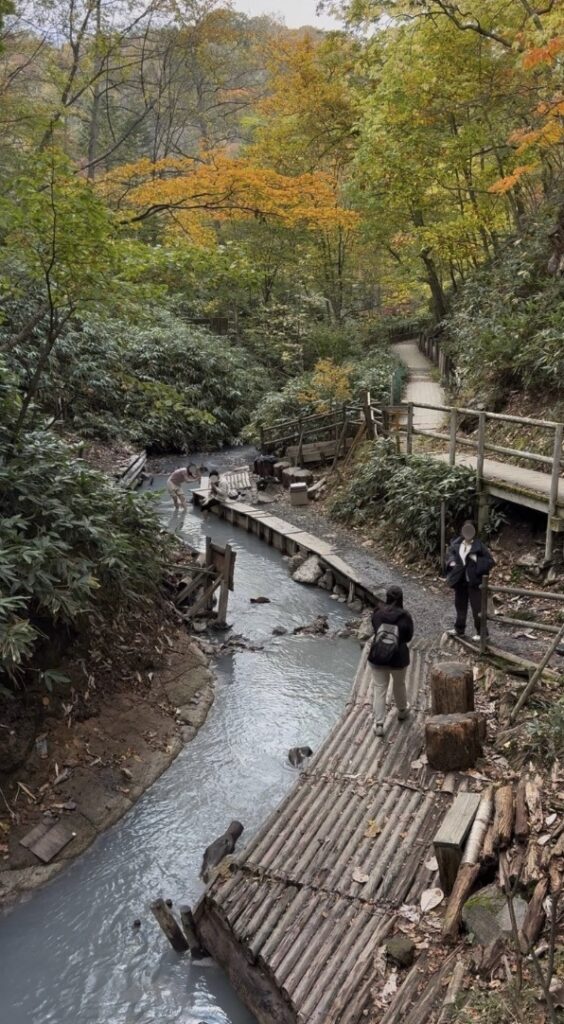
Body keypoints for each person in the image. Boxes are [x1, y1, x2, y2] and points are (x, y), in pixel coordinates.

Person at [368, 585, 414, 738]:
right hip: (398, 656)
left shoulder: (378, 613)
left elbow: (375, 628)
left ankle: (379, 724)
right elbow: (408, 637)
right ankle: (402, 711)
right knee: (399, 684)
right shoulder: (405, 616)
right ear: (401, 599)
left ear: (387, 597)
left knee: (379, 688)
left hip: (378, 655)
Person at [445, 520, 495, 640]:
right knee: (460, 606)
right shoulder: (456, 544)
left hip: (474, 581)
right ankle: (459, 629)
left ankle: (482, 633)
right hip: (460, 580)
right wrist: (451, 562)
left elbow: (490, 562)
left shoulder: (479, 546)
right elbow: (450, 555)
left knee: (477, 608)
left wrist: (476, 559)